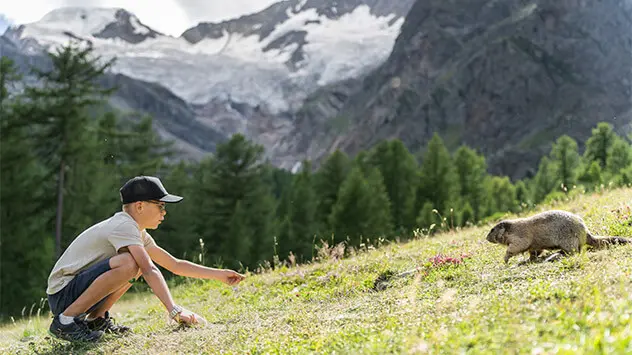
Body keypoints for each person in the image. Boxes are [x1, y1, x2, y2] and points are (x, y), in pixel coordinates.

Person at [46, 175, 245, 342]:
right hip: (63, 295)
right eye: (160, 206)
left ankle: (95, 320)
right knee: (131, 263)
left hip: (73, 292)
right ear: (140, 206)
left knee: (134, 264)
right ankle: (65, 322)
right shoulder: (123, 226)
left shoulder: (136, 232)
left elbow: (174, 264)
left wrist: (220, 275)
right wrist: (174, 311)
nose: (164, 212)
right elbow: (149, 269)